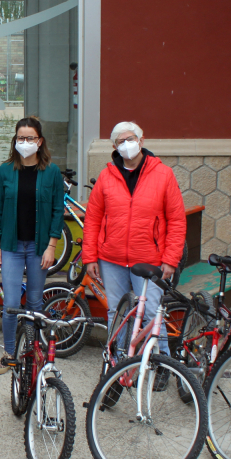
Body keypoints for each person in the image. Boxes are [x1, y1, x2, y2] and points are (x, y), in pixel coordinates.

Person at [82, 121, 186, 389]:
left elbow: (176, 221)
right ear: (114, 146)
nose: (126, 144)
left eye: (130, 138)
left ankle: (160, 363)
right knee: (117, 313)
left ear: (141, 140)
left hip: (149, 259)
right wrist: (90, 257)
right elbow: (93, 219)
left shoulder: (163, 174)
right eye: (120, 141)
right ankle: (118, 363)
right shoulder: (107, 176)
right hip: (111, 258)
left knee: (152, 311)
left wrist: (170, 259)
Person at [0, 117, 65, 374]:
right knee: (10, 303)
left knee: (34, 303)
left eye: (30, 138)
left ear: (40, 141)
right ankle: (9, 354)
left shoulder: (51, 172)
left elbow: (56, 210)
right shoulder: (6, 170)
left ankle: (33, 354)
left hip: (39, 246)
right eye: (21, 138)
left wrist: (52, 245)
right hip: (10, 245)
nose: (25, 142)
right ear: (15, 140)